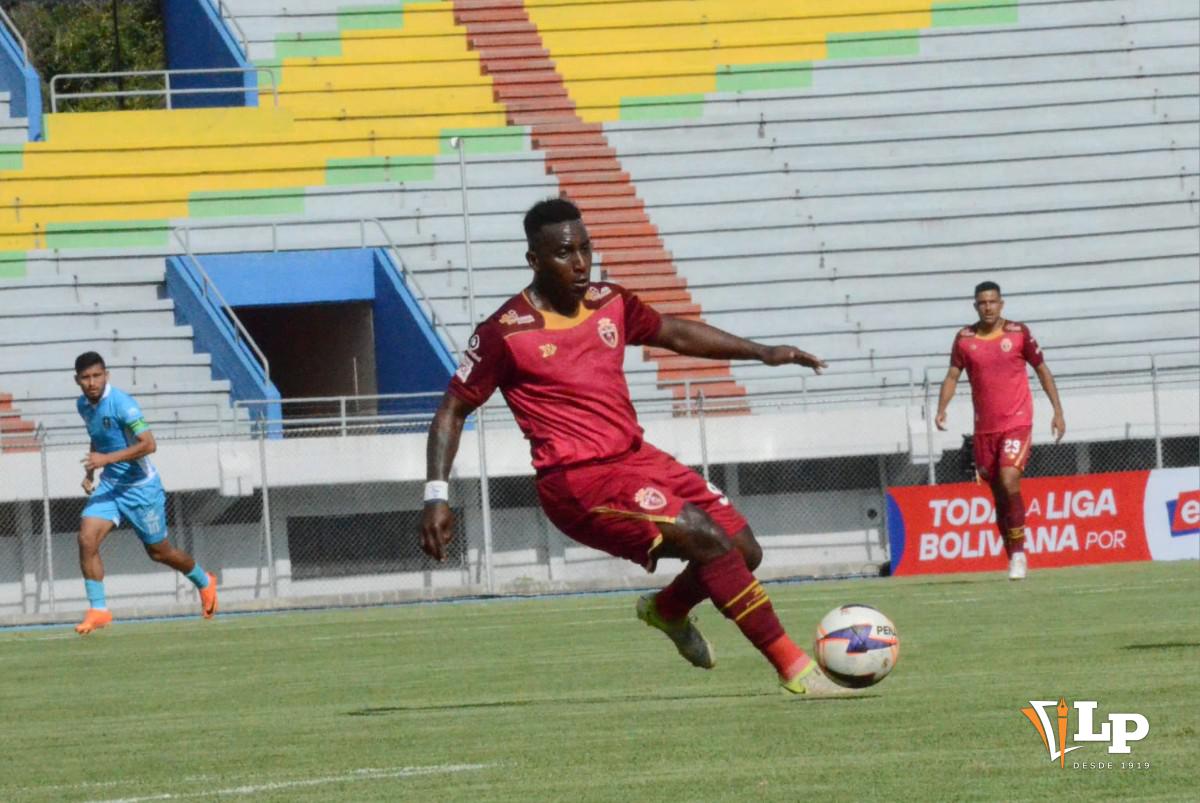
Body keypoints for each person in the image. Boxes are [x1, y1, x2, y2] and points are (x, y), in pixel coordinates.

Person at [419, 198, 850, 696]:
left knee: (742, 550)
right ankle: (796, 670)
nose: (580, 263)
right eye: (564, 253)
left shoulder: (610, 301)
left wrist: (761, 352)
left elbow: (674, 333)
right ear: (534, 260)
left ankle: (666, 609)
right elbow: (452, 409)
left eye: (585, 249)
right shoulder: (504, 333)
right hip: (578, 481)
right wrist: (435, 494)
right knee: (705, 537)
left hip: (637, 459)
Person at [72, 352, 218, 633]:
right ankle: (99, 610)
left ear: (107, 375)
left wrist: (107, 460)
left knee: (159, 552)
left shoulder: (123, 404)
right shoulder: (83, 405)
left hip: (141, 487)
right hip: (112, 485)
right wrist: (91, 472)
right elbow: (97, 436)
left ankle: (204, 581)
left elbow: (149, 445)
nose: (92, 382)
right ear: (77, 381)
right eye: (86, 378)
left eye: (97, 376)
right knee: (86, 538)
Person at [934, 282, 1065, 580]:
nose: (988, 307)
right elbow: (953, 375)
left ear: (1002, 304)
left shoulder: (1019, 333)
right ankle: (1012, 556)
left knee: (1009, 477)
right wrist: (942, 407)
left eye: (993, 301)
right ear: (975, 306)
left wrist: (1058, 411)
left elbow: (1042, 369)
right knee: (999, 497)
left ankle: (1020, 553)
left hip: (1017, 422)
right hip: (985, 429)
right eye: (982, 303)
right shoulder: (965, 339)